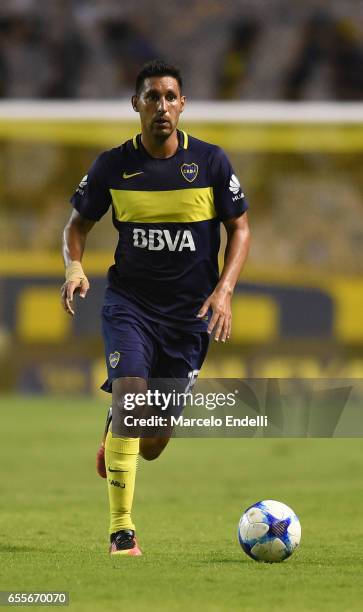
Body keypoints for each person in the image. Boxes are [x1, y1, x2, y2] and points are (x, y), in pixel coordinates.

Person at [61, 59, 250, 556]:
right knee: (130, 399)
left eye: (170, 97)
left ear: (183, 104)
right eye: (152, 97)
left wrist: (225, 289)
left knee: (153, 441)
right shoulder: (112, 166)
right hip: (130, 305)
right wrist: (74, 268)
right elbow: (77, 225)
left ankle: (116, 433)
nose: (162, 106)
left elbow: (242, 229)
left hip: (189, 317)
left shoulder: (210, 163)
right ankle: (121, 532)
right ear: (136, 104)